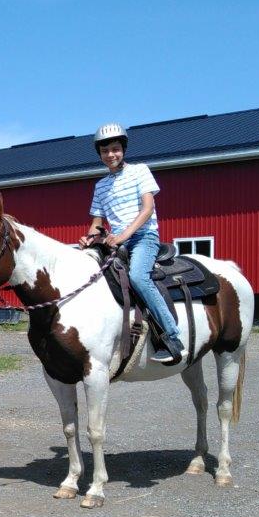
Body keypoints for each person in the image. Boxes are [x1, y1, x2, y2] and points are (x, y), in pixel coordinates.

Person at [80, 123, 184, 363]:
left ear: (123, 149)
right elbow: (97, 222)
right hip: (116, 242)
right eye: (105, 151)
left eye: (115, 149)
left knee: (138, 277)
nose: (111, 155)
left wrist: (124, 235)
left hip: (143, 238)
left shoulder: (140, 171)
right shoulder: (100, 186)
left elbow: (147, 209)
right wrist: (89, 238)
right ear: (100, 154)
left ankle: (172, 335)